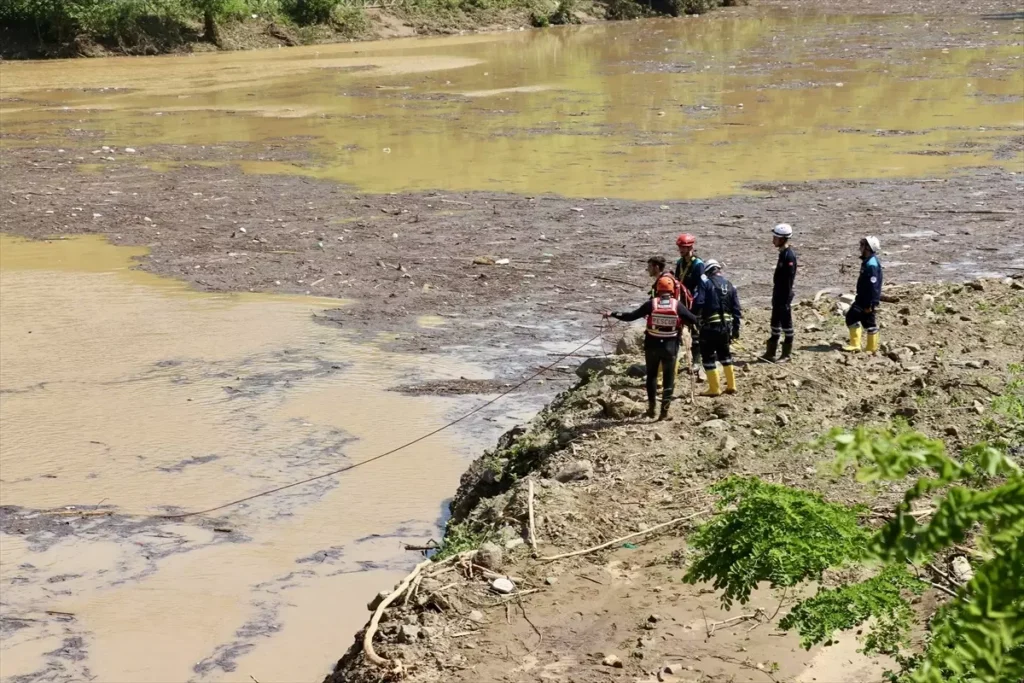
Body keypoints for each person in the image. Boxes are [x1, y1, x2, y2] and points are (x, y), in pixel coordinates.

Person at [605, 275, 698, 420]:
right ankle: (664, 412)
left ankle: (651, 408)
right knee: (668, 378)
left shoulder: (651, 304)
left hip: (652, 346)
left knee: (652, 376)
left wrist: (613, 314)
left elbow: (631, 316)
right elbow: (693, 319)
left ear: (657, 290)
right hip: (670, 347)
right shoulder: (676, 305)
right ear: (672, 290)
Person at [692, 259, 742, 397]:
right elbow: (737, 309)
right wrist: (736, 329)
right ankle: (732, 385)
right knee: (725, 356)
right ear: (719, 269)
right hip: (726, 328)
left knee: (708, 357)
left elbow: (699, 302)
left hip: (709, 327)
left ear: (707, 272)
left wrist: (692, 317)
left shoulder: (705, 283)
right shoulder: (730, 285)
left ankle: (714, 389)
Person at [763, 223, 798, 363]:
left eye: (776, 238)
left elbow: (788, 280)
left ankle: (786, 354)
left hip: (783, 295)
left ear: (783, 239)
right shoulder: (783, 254)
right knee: (775, 323)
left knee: (786, 324)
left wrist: (784, 299)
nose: (773, 240)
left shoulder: (789, 256)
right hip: (778, 294)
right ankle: (770, 352)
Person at [844, 236, 883, 353]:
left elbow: (873, 286)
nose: (860, 248)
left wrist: (870, 304)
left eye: (862, 246)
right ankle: (862, 346)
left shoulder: (871, 265)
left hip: (867, 299)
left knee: (859, 320)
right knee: (860, 320)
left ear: (868, 248)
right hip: (863, 298)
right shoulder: (868, 262)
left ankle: (868, 347)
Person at [673, 233, 704, 375]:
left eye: (684, 247)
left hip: (694, 301)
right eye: (680, 247)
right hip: (682, 300)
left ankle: (697, 361)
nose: (681, 250)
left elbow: (701, 286)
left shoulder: (698, 264)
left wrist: (696, 304)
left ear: (690, 247)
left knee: (695, 332)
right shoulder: (679, 263)